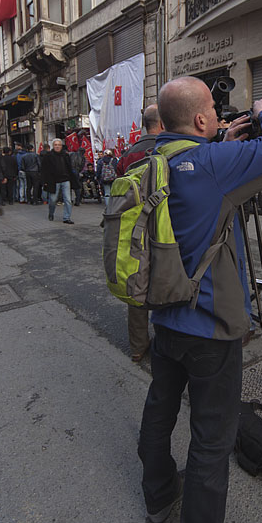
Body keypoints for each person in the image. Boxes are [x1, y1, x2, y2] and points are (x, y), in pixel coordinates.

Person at [137, 76, 262, 523]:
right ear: (199, 119)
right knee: (212, 440)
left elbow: (192, 171)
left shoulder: (150, 159)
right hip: (210, 326)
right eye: (212, 107)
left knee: (160, 407)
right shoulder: (213, 164)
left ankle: (158, 496)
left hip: (164, 315)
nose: (218, 112)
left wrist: (219, 142)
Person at [116, 104, 163, 362]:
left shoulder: (128, 153)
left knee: (137, 284)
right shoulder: (165, 148)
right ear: (162, 123)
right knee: (163, 282)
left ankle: (138, 347)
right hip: (163, 226)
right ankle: (165, 344)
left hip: (133, 229)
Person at [40, 138, 76, 223]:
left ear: (61, 146)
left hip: (65, 180)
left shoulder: (65, 155)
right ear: (53, 146)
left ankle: (66, 218)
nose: (57, 147)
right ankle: (51, 213)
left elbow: (69, 167)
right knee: (53, 200)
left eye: (59, 145)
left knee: (67, 199)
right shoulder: (48, 156)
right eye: (55, 145)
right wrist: (44, 181)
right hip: (54, 181)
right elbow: (44, 170)